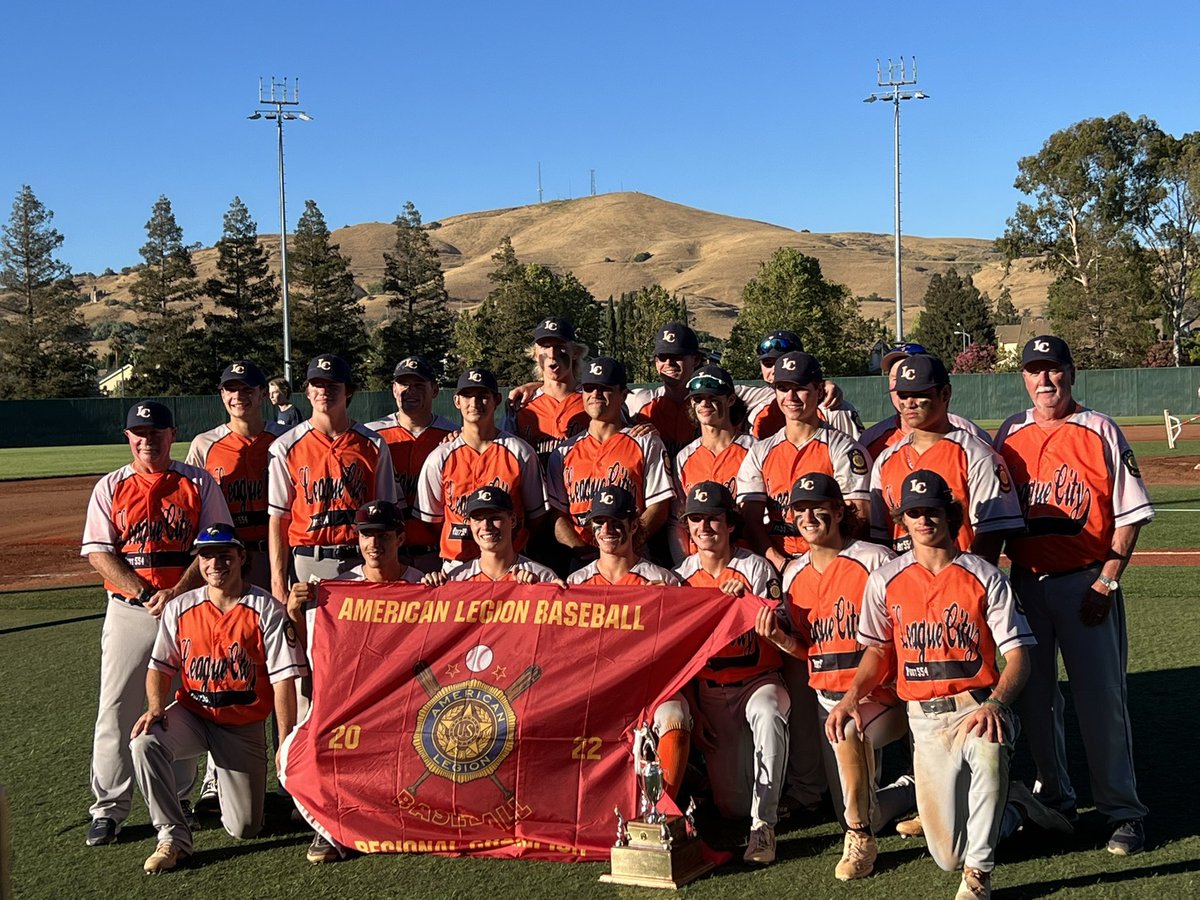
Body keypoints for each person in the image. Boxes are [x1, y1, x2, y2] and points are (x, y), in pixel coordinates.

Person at [828, 469, 1059, 900]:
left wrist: (997, 704)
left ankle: (979, 876)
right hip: (924, 723)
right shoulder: (885, 580)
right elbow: (878, 653)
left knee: (990, 748)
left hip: (975, 708)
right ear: (902, 520)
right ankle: (1014, 807)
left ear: (950, 515)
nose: (923, 520)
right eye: (913, 513)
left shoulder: (984, 575)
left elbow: (1019, 658)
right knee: (947, 855)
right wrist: (850, 697)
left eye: (931, 511)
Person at [995, 335, 1154, 855]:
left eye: (1054, 370)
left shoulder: (1099, 428)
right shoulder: (1010, 433)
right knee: (1036, 701)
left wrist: (1107, 579)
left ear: (1071, 373)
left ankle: (1122, 811)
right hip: (1026, 583)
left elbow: (1130, 513)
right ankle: (1056, 797)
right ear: (1023, 377)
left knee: (1100, 701)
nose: (1045, 381)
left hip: (1085, 581)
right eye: (1035, 371)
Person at [80, 400, 231, 847]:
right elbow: (99, 553)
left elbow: (214, 546)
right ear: (128, 437)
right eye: (140, 433)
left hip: (189, 609)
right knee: (118, 706)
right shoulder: (111, 486)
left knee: (183, 701)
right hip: (131, 611)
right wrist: (145, 592)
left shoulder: (198, 482)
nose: (149, 440)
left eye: (157, 432)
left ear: (173, 434)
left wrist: (178, 591)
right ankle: (108, 808)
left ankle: (179, 799)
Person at [129, 524, 307, 874]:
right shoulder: (180, 607)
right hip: (194, 715)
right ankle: (172, 838)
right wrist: (155, 706)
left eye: (224, 555)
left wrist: (285, 741)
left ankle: (236, 789)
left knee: (244, 828)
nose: (215, 564)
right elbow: (160, 667)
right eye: (207, 556)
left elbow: (284, 680)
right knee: (144, 743)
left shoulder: (265, 609)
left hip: (242, 726)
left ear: (241, 558)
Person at [764, 473, 913, 881]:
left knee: (854, 802)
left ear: (839, 510)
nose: (809, 516)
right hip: (827, 697)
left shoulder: (873, 559)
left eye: (819, 507)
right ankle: (915, 790)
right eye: (800, 509)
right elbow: (808, 650)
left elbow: (900, 631)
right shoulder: (793, 572)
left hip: (883, 695)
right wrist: (779, 639)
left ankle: (860, 842)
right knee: (858, 804)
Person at [285, 499, 421, 865]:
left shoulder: (423, 585)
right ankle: (331, 826)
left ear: (400, 538)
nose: (374, 544)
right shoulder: (337, 589)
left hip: (413, 701)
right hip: (355, 703)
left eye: (383, 535)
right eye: (366, 535)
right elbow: (313, 647)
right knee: (310, 745)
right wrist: (298, 612)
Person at [673, 482, 788, 865]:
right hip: (710, 691)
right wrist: (695, 709)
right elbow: (679, 657)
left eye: (713, 518)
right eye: (696, 519)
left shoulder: (754, 567)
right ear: (687, 527)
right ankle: (747, 801)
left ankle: (764, 826)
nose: (705, 527)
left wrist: (750, 602)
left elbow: (783, 629)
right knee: (731, 807)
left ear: (730, 524)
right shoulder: (680, 578)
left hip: (759, 681)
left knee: (769, 714)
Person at [567, 487, 689, 800]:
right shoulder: (575, 585)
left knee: (674, 714)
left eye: (617, 521)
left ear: (634, 525)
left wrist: (670, 603)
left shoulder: (664, 581)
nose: (608, 529)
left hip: (649, 690)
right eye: (600, 522)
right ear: (592, 527)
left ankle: (662, 813)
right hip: (594, 689)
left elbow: (685, 649)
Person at [869, 354, 1023, 564]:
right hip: (904, 585)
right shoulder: (886, 459)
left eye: (919, 394)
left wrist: (969, 580)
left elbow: (990, 534)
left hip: (960, 581)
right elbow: (881, 537)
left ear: (945, 393)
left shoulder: (976, 454)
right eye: (903, 395)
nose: (909, 403)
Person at [267, 354, 397, 602]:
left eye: (333, 385)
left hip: (362, 560)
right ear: (307, 391)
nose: (324, 391)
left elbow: (386, 513)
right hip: (308, 560)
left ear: (348, 391)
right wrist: (278, 581)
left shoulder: (373, 443)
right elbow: (279, 519)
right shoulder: (285, 446)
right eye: (317, 384)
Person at [736, 351, 872, 572]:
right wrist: (780, 564)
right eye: (782, 388)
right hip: (778, 563)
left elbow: (859, 518)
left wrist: (825, 563)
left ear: (819, 390)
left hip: (831, 563)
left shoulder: (843, 448)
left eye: (799, 388)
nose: (790, 397)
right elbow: (750, 520)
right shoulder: (760, 451)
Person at [546, 357, 674, 571]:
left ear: (623, 395)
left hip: (632, 560)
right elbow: (556, 514)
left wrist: (624, 548)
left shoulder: (645, 442)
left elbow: (659, 507)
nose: (595, 395)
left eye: (605, 388)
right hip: (581, 563)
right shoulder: (562, 452)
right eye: (589, 388)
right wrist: (581, 552)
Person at [416, 366, 548, 569]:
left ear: (496, 400)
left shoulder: (520, 452)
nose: (474, 403)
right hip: (457, 564)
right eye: (467, 395)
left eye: (482, 395)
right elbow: (432, 521)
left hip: (510, 565)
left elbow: (536, 517)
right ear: (457, 401)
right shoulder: (439, 457)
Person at [187, 360, 277, 589]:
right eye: (231, 389)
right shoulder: (204, 444)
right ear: (222, 395)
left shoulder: (286, 439)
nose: (239, 396)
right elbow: (190, 503)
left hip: (274, 551)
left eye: (248, 389)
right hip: (225, 556)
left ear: (263, 394)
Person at [364, 357, 457, 572]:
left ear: (434, 389)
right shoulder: (372, 436)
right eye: (404, 384)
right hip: (385, 554)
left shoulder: (453, 438)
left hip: (436, 554)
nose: (410, 391)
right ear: (394, 389)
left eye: (418, 385)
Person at [671, 365, 754, 562]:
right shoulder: (684, 457)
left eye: (713, 398)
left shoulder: (754, 450)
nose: (705, 404)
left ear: (731, 400)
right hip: (699, 563)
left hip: (745, 560)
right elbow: (677, 521)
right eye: (698, 399)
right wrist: (685, 566)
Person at [860, 342, 992, 460]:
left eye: (912, 380)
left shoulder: (970, 435)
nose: (904, 390)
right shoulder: (871, 440)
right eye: (895, 379)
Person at [739, 330, 863, 440]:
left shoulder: (831, 405)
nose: (774, 370)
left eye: (781, 362)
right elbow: (721, 390)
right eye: (768, 364)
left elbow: (857, 451)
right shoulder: (755, 397)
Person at [424, 487, 562, 584]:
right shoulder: (455, 579)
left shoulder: (542, 576)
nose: (486, 526)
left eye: (495, 518)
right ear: (469, 524)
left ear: (513, 520)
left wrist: (539, 592)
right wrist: (429, 590)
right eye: (478, 519)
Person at [504, 316, 590, 466]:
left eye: (560, 346)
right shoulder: (521, 405)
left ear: (575, 352)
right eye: (544, 346)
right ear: (535, 354)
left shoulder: (593, 399)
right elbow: (504, 456)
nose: (552, 353)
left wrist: (645, 425)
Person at [624, 321, 708, 460]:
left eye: (677, 356)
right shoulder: (640, 401)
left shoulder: (713, 402)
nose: (669, 363)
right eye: (662, 357)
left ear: (696, 359)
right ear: (656, 362)